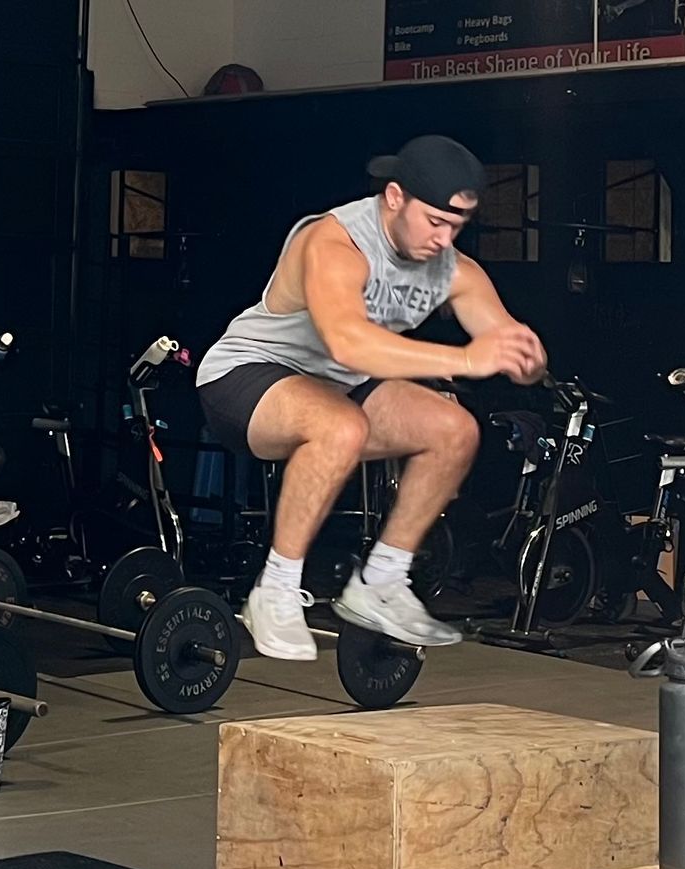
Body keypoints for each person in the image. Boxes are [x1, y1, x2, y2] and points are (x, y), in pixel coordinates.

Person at [195, 135, 547, 660]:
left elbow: (509, 348)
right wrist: (468, 360)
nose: (445, 240)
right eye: (435, 222)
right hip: (247, 376)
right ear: (395, 197)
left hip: (337, 386)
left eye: (457, 227)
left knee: (454, 431)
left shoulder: (455, 271)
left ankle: (380, 582)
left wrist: (525, 357)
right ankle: (274, 591)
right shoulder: (334, 243)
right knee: (341, 425)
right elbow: (349, 343)